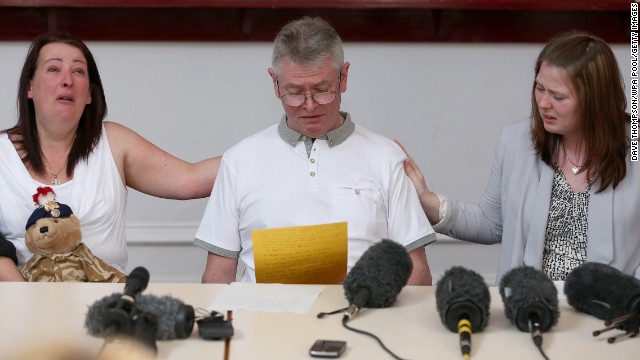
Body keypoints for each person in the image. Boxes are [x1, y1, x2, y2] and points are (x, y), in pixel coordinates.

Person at [195, 17, 435, 285]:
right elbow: (218, 274)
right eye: (294, 92)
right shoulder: (239, 160)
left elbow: (417, 273)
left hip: (361, 319)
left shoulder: (386, 157)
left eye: (322, 91)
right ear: (274, 83)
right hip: (264, 321)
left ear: (344, 77)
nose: (310, 106)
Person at [399, 31, 639, 283]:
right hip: (529, 311)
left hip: (610, 314)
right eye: (539, 88)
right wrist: (429, 201)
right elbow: (491, 223)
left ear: (595, 100)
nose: (543, 103)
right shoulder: (516, 141)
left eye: (558, 96)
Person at [0, 32, 220, 281]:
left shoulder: (114, 142)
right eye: (53, 69)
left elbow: (189, 179)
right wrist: (25, 297)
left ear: (90, 94)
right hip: (21, 306)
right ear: (29, 87)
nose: (67, 80)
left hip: (106, 308)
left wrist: (264, 151)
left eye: (79, 71)